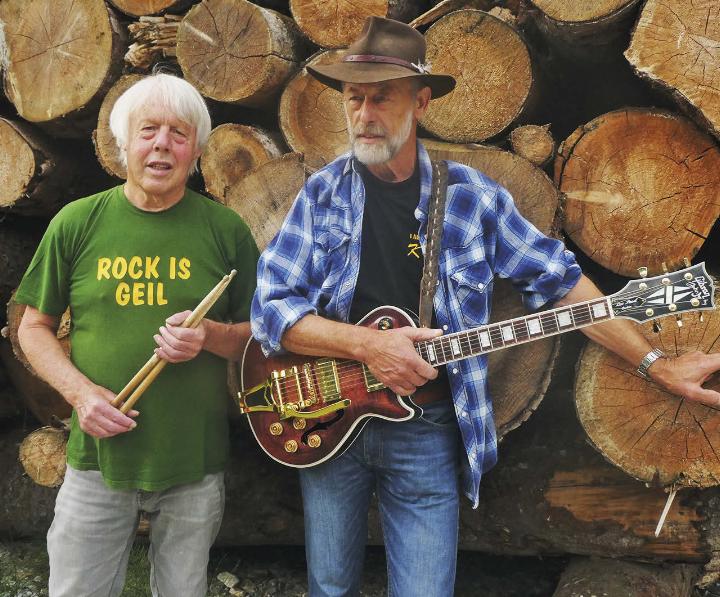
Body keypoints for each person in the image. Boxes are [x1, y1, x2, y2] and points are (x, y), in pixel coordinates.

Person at [251, 16, 720, 597]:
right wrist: (368, 344)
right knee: (329, 585)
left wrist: (655, 362)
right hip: (326, 414)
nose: (365, 114)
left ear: (420, 102)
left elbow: (562, 287)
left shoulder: (470, 196)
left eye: (382, 97)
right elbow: (272, 310)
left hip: (426, 427)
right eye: (354, 97)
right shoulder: (321, 196)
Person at [16, 73, 259, 597]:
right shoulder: (77, 222)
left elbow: (258, 336)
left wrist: (209, 336)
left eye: (178, 132)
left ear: (196, 149)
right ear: (124, 142)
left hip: (192, 461)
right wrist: (80, 395)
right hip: (96, 459)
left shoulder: (226, 231)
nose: (162, 145)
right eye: (148, 130)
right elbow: (32, 327)